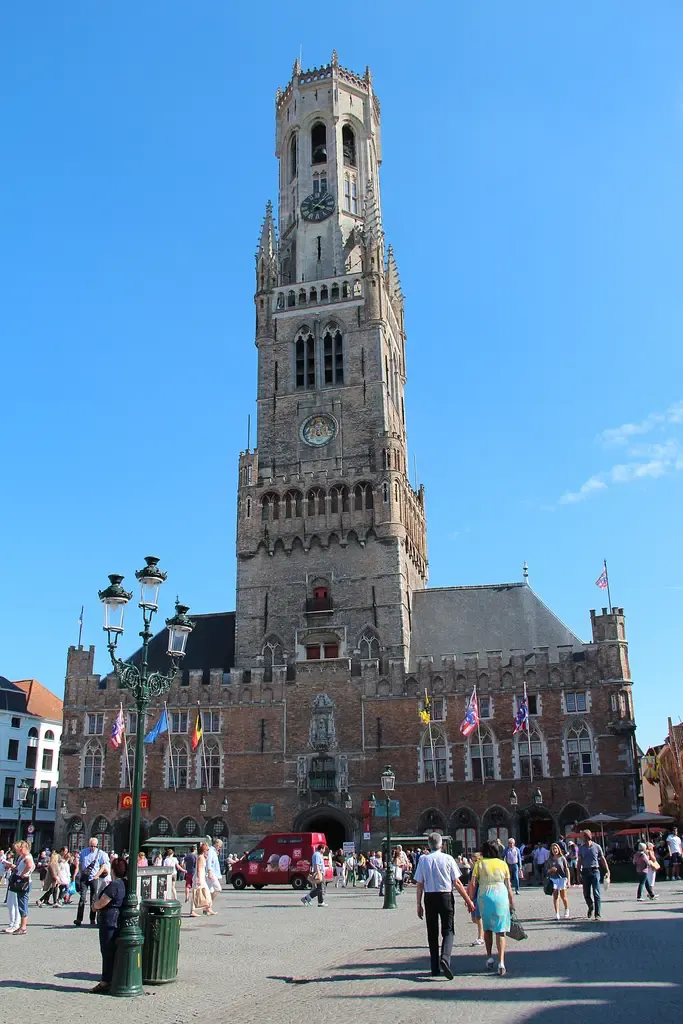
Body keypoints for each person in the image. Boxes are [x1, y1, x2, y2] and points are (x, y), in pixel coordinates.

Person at [414, 832, 475, 980]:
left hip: (429, 897)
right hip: (445, 896)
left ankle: (434, 967)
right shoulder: (448, 858)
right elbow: (457, 882)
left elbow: (420, 884)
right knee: (448, 930)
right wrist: (468, 900)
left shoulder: (423, 860)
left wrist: (418, 904)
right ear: (441, 845)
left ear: (429, 845)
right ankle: (445, 958)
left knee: (432, 932)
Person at [468, 840, 515, 976]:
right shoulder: (503, 864)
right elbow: (508, 885)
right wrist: (512, 902)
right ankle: (501, 962)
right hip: (500, 895)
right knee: (500, 930)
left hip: (485, 896)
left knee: (487, 928)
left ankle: (489, 957)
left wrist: (470, 899)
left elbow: (473, 884)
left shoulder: (479, 864)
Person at [90, 856, 128, 994]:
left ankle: (106, 981)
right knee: (114, 950)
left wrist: (94, 907)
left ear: (113, 870)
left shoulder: (114, 885)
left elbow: (103, 902)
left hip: (110, 919)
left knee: (107, 950)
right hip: (119, 919)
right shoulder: (126, 883)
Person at [74, 837, 110, 927]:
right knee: (82, 898)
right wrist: (81, 872)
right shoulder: (84, 852)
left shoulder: (101, 853)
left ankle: (92, 918)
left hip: (94, 878)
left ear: (97, 845)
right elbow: (80, 863)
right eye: (91, 846)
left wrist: (97, 875)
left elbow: (103, 866)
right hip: (84, 878)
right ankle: (79, 919)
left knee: (93, 899)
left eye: (94, 846)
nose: (92, 848)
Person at [577, 830, 609, 920]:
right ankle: (590, 906)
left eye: (582, 836)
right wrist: (578, 873)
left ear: (586, 836)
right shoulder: (581, 848)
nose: (581, 838)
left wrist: (607, 870)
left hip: (595, 871)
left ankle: (597, 914)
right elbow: (579, 861)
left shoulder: (597, 847)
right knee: (586, 893)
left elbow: (602, 859)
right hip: (585, 871)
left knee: (596, 892)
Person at [9, 839, 34, 935]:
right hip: (24, 881)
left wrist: (23, 873)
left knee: (22, 903)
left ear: (22, 848)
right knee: (21, 903)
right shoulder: (25, 857)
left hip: (23, 882)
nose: (16, 851)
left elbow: (29, 865)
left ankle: (23, 927)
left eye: (17, 849)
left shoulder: (27, 857)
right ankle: (22, 926)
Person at [547, 843, 570, 919]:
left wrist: (568, 881)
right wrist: (551, 870)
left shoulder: (562, 858)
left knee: (563, 897)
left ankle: (566, 909)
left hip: (562, 878)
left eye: (555, 849)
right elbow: (547, 870)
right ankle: (557, 913)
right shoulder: (550, 859)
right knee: (555, 896)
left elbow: (567, 869)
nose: (554, 850)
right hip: (554, 878)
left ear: (558, 849)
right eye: (553, 849)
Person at [190, 842, 214, 917]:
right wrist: (199, 879)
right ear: (204, 850)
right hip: (199, 877)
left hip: (202, 877)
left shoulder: (202, 857)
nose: (208, 851)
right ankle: (192, 911)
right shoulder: (200, 857)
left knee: (207, 893)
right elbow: (198, 869)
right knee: (196, 894)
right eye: (207, 850)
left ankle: (208, 908)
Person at [206, 839, 223, 909]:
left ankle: (208, 908)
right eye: (219, 846)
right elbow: (209, 861)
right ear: (216, 845)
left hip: (214, 873)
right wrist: (209, 871)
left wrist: (219, 875)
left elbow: (215, 864)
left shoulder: (214, 851)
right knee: (218, 889)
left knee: (211, 890)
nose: (220, 848)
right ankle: (207, 905)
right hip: (211, 873)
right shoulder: (211, 851)